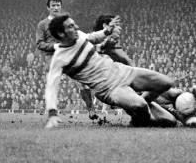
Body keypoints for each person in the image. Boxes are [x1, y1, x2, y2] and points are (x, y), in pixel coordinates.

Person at [44, 13, 176, 128]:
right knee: (144, 108)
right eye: (71, 26)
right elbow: (51, 87)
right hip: (108, 88)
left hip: (121, 71)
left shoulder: (78, 36)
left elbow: (92, 37)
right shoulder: (60, 59)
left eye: (74, 24)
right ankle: (139, 118)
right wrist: (52, 113)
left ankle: (142, 109)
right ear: (61, 33)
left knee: (166, 82)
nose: (76, 27)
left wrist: (106, 31)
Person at [35, 0, 98, 119]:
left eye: (58, 5)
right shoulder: (42, 24)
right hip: (53, 57)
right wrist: (55, 46)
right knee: (53, 83)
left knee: (82, 82)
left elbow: (77, 35)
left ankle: (91, 110)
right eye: (53, 5)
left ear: (61, 7)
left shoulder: (67, 21)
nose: (56, 7)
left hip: (69, 55)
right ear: (48, 8)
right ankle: (52, 113)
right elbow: (40, 44)